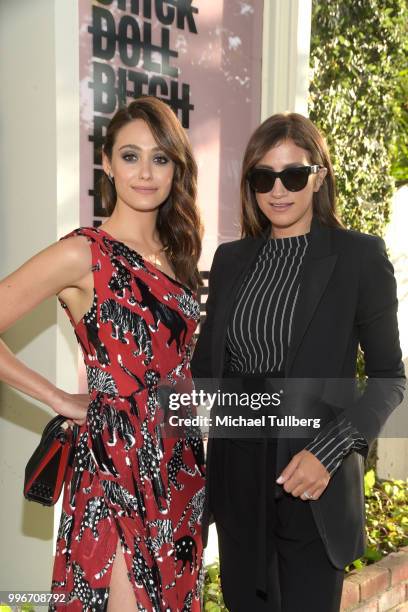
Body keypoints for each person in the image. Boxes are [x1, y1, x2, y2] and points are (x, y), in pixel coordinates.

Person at [191, 112, 405, 611]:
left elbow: (389, 379)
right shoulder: (231, 261)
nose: (278, 189)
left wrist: (327, 453)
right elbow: (206, 371)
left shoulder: (359, 258)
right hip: (240, 474)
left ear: (319, 178)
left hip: (313, 479)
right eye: (264, 177)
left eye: (294, 174)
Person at [0, 96, 205, 611]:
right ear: (108, 164)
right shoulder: (82, 253)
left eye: (161, 158)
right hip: (116, 468)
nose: (146, 172)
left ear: (176, 168)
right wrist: (57, 397)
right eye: (130, 156)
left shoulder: (178, 254)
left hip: (180, 467)